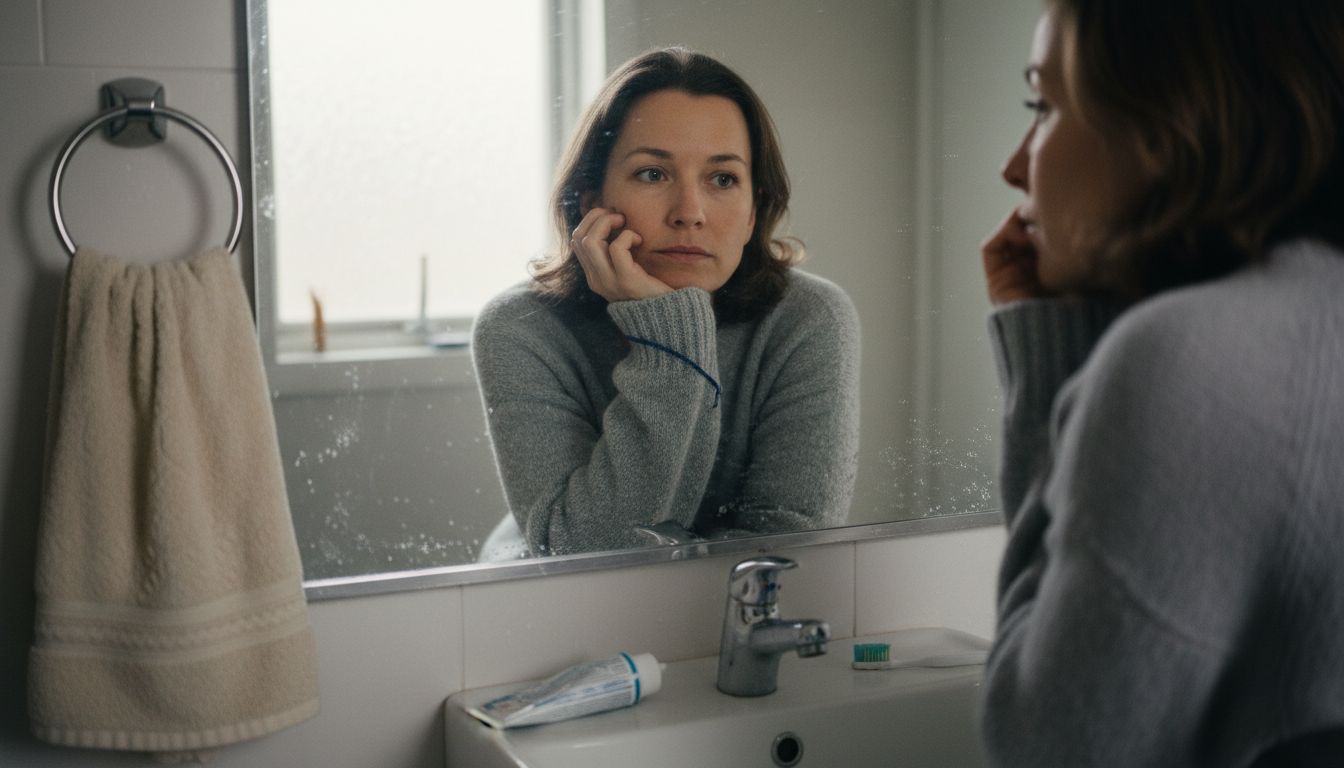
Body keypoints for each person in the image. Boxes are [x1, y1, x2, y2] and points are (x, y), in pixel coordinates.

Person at [978, 0, 1344, 765]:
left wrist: (1056, 370)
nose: (1015, 165)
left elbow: (1046, 748)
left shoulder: (1186, 359)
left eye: (1042, 107)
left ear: (1165, 120)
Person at [472, 48, 860, 558]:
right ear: (590, 202)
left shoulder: (809, 318)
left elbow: (787, 552)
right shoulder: (520, 328)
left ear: (752, 212)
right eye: (653, 174)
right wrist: (667, 340)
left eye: (723, 179)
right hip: (545, 616)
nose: (690, 213)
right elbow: (580, 553)